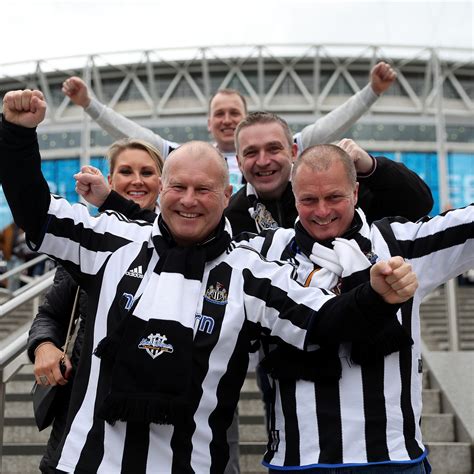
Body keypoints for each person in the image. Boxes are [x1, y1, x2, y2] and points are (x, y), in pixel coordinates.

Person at [1, 89, 418, 474]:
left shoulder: (250, 272)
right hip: (85, 465)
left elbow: (323, 320)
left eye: (204, 189)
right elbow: (37, 212)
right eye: (178, 186)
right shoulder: (112, 241)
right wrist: (19, 136)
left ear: (227, 196)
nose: (188, 199)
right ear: (162, 189)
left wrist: (377, 297)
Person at [242, 144, 474, 472]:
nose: (322, 211)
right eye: (309, 200)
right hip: (299, 461)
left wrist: (377, 165)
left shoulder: (399, 244)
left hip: (393, 459)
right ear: (293, 197)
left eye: (334, 197)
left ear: (355, 191)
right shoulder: (263, 252)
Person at [27, 137, 164, 473]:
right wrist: (44, 345)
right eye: (126, 171)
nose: (137, 180)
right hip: (82, 404)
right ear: (111, 180)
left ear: (162, 183)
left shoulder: (182, 242)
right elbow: (51, 313)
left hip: (154, 412)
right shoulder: (88, 243)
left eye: (147, 172)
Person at [62, 62, 397, 191]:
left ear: (246, 120)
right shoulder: (183, 157)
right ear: (209, 123)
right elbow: (135, 136)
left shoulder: (279, 151)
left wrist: (372, 93)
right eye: (219, 114)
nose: (227, 119)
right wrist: (89, 104)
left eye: (234, 113)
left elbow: (329, 127)